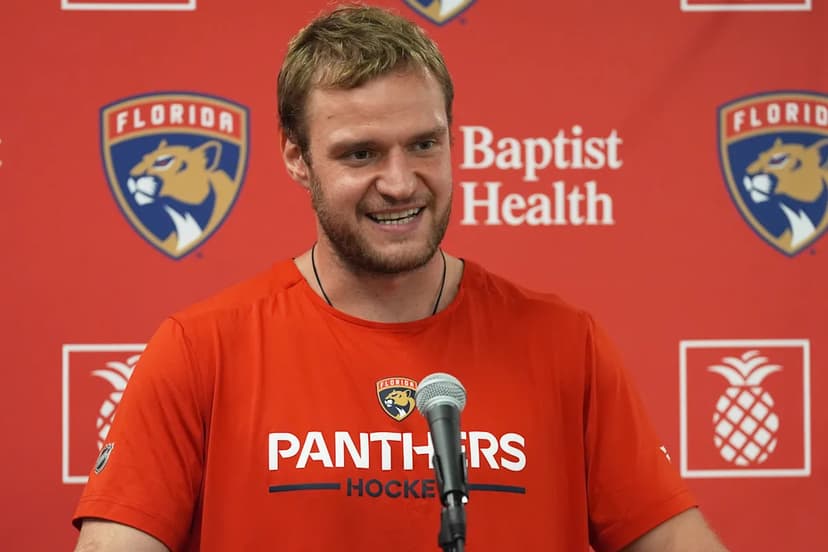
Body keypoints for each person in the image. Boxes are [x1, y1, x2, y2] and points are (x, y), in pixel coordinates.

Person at [73, 5, 729, 551]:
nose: (399, 182)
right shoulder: (201, 350)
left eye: (423, 144)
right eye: (361, 153)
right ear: (297, 157)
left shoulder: (566, 345)